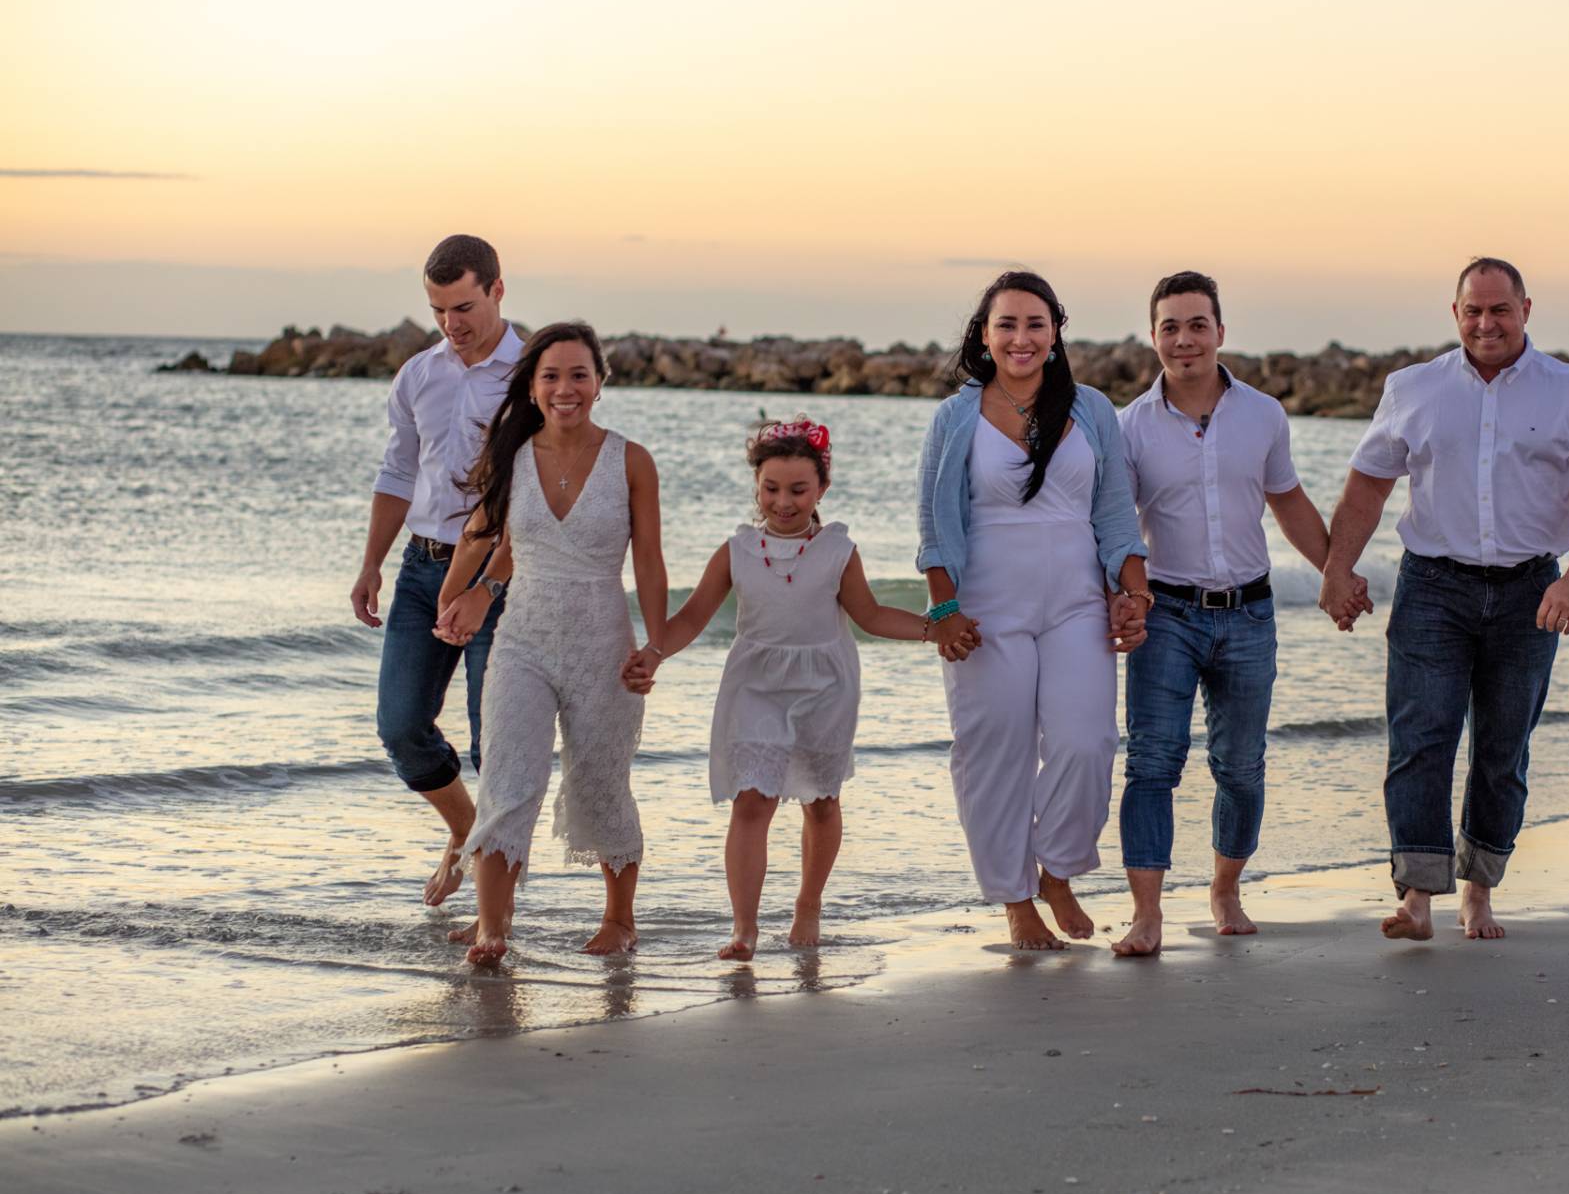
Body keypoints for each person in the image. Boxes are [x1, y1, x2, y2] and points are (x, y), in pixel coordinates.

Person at [1318, 257, 1569, 941]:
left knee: (1501, 749)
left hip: (1530, 591)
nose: (1486, 323)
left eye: (1500, 310)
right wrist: (1337, 569)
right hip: (1432, 586)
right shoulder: (1412, 389)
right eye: (1473, 311)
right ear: (1454, 312)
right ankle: (1417, 898)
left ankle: (1479, 890)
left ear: (1526, 309)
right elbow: (1367, 486)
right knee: (1420, 740)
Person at [622, 418, 956, 961]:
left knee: (821, 801)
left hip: (826, 686)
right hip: (755, 684)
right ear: (757, 486)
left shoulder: (837, 550)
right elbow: (691, 618)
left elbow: (869, 616)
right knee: (753, 801)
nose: (783, 502)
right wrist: (653, 652)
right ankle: (744, 928)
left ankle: (807, 904)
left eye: (798, 490)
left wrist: (934, 628)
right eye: (772, 488)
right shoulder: (736, 550)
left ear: (821, 488)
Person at [1111, 271, 1360, 957]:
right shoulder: (1130, 427)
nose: (1184, 339)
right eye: (1170, 326)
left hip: (1249, 614)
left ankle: (1225, 886)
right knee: (1152, 764)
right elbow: (1117, 528)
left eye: (1197, 324)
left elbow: (1289, 502)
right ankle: (1146, 912)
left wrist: (1337, 575)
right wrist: (1118, 599)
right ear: (1154, 335)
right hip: (1168, 615)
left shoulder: (1263, 414)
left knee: (1241, 766)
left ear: (1221, 331)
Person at [917, 270, 1150, 952]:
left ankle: (1057, 869)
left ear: (1055, 334)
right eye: (1007, 325)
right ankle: (1016, 900)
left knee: (1089, 742)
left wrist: (1134, 595)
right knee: (994, 754)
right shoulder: (956, 415)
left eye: (1035, 324)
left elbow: (1116, 517)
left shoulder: (1093, 410)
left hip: (1078, 604)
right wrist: (945, 609)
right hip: (987, 610)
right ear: (985, 337)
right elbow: (936, 525)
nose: (1021, 338)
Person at [433, 321, 668, 966]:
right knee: (508, 777)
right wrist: (463, 599)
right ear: (532, 387)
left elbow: (648, 561)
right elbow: (487, 540)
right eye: (551, 376)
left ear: (600, 382)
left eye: (579, 375)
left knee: (600, 783)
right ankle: (491, 928)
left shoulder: (632, 460)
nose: (566, 388)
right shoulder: (511, 455)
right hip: (523, 641)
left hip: (604, 645)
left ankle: (620, 919)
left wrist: (657, 646)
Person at [350, 234, 521, 909]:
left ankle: (490, 919)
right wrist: (371, 562)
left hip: (499, 576)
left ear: (497, 291)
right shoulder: (419, 374)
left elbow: (535, 495)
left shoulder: (533, 377)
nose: (453, 323)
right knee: (400, 726)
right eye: (439, 309)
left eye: (464, 305)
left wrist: (486, 588)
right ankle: (465, 831)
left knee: (493, 742)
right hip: (421, 568)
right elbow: (397, 472)